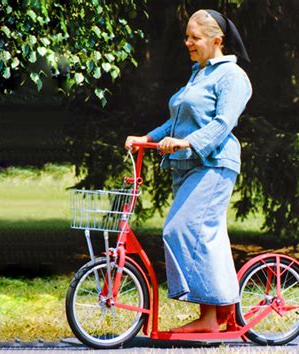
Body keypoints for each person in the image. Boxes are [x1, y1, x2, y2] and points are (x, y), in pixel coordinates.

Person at [125, 9, 252, 333]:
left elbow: (223, 124)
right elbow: (177, 120)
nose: (188, 43)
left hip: (213, 164)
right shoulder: (199, 73)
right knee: (205, 237)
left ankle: (211, 317)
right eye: (187, 37)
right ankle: (218, 314)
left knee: (180, 229)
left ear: (216, 40)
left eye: (194, 37)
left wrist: (187, 143)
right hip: (189, 166)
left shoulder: (232, 77)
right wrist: (148, 138)